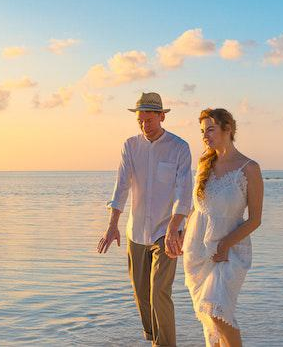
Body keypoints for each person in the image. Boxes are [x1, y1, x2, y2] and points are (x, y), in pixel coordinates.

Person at [96, 92, 193, 347]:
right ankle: (153, 338)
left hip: (166, 231)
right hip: (136, 232)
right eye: (140, 120)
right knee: (142, 295)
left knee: (159, 291)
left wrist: (175, 228)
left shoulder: (179, 147)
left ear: (162, 117)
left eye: (149, 120)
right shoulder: (130, 146)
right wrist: (112, 226)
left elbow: (184, 192)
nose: (144, 125)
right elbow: (121, 187)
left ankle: (165, 344)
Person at [181, 108, 263, 347]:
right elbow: (196, 209)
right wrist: (178, 234)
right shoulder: (205, 164)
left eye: (210, 129)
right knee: (209, 320)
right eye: (202, 131)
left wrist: (226, 244)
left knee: (218, 311)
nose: (205, 135)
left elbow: (255, 219)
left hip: (230, 252)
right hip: (198, 251)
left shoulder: (249, 168)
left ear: (228, 129)